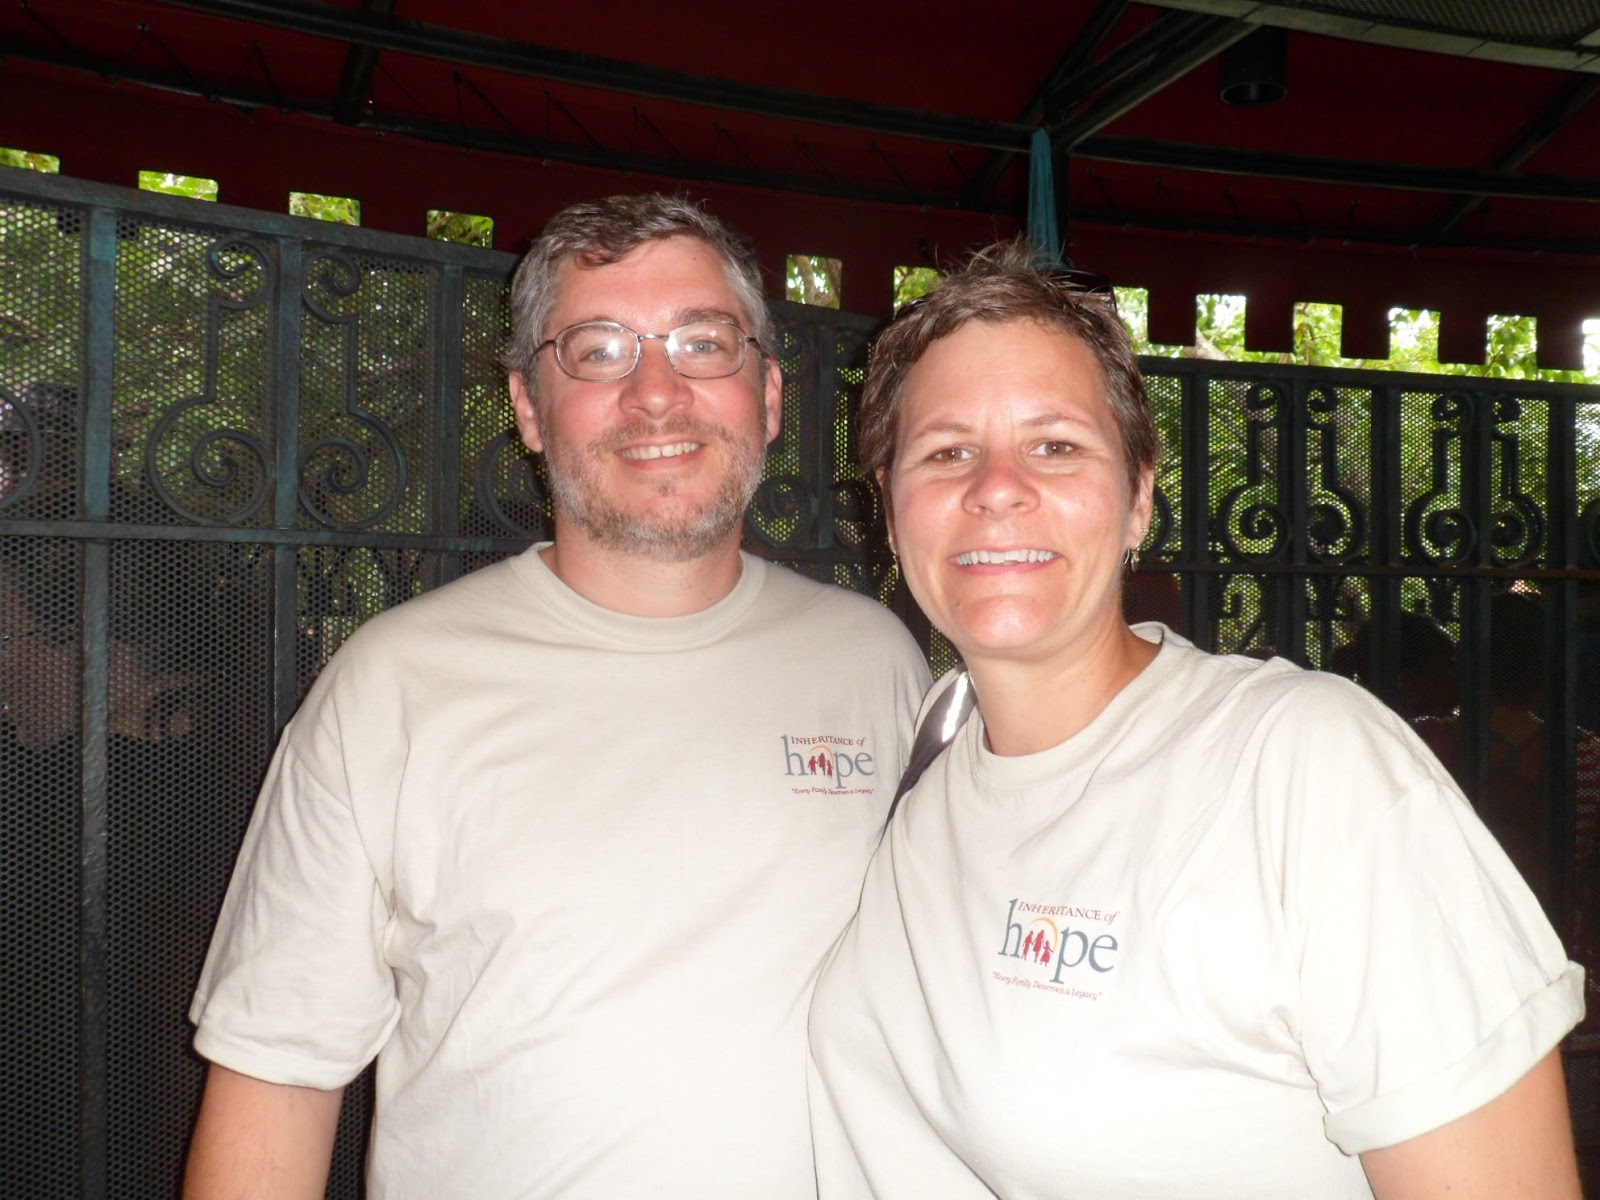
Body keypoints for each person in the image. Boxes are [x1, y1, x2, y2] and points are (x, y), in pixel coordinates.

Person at [184, 193, 929, 1199]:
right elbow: (276, 1077)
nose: (657, 394)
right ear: (529, 407)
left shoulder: (874, 661)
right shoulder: (395, 685)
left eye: (702, 343)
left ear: (769, 395)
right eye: (599, 350)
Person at [806, 242, 1586, 1199]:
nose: (996, 486)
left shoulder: (1303, 768)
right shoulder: (932, 746)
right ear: (889, 513)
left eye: (1055, 444)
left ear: (1138, 499)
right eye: (946, 450)